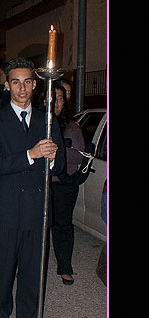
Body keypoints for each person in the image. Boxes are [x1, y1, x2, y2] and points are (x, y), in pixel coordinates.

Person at [0, 57, 65, 318]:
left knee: (33, 271)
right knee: (3, 271)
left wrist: (53, 157)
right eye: (15, 81)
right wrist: (31, 154)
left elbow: (60, 168)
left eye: (28, 81)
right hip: (7, 210)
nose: (22, 88)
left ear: (35, 84)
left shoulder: (47, 120)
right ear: (7, 84)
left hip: (37, 210)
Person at [51, 82, 85, 285]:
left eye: (60, 98)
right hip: (39, 183)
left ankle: (64, 267)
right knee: (35, 226)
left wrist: (59, 154)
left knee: (62, 225)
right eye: (53, 97)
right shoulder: (36, 123)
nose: (56, 102)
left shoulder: (72, 127)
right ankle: (31, 265)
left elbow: (78, 157)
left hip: (64, 184)